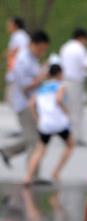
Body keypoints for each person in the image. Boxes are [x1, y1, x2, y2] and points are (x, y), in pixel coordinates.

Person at [0, 30, 50, 171]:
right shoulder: (23, 60)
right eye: (42, 49)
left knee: (34, 137)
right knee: (34, 140)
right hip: (24, 104)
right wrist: (40, 79)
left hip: (33, 102)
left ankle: (8, 151)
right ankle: (32, 176)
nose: (42, 52)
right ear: (35, 44)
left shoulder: (32, 59)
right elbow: (24, 86)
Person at [23, 64, 74, 185]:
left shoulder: (41, 88)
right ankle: (56, 172)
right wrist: (66, 111)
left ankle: (27, 176)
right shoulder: (60, 85)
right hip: (59, 122)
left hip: (45, 123)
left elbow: (31, 104)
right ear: (59, 74)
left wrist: (37, 118)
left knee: (40, 150)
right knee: (70, 145)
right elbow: (58, 99)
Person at [59, 28, 87, 145]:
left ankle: (66, 135)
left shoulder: (65, 47)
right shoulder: (79, 48)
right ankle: (76, 137)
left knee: (67, 109)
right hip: (76, 82)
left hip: (64, 81)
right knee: (77, 110)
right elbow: (85, 65)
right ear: (82, 38)